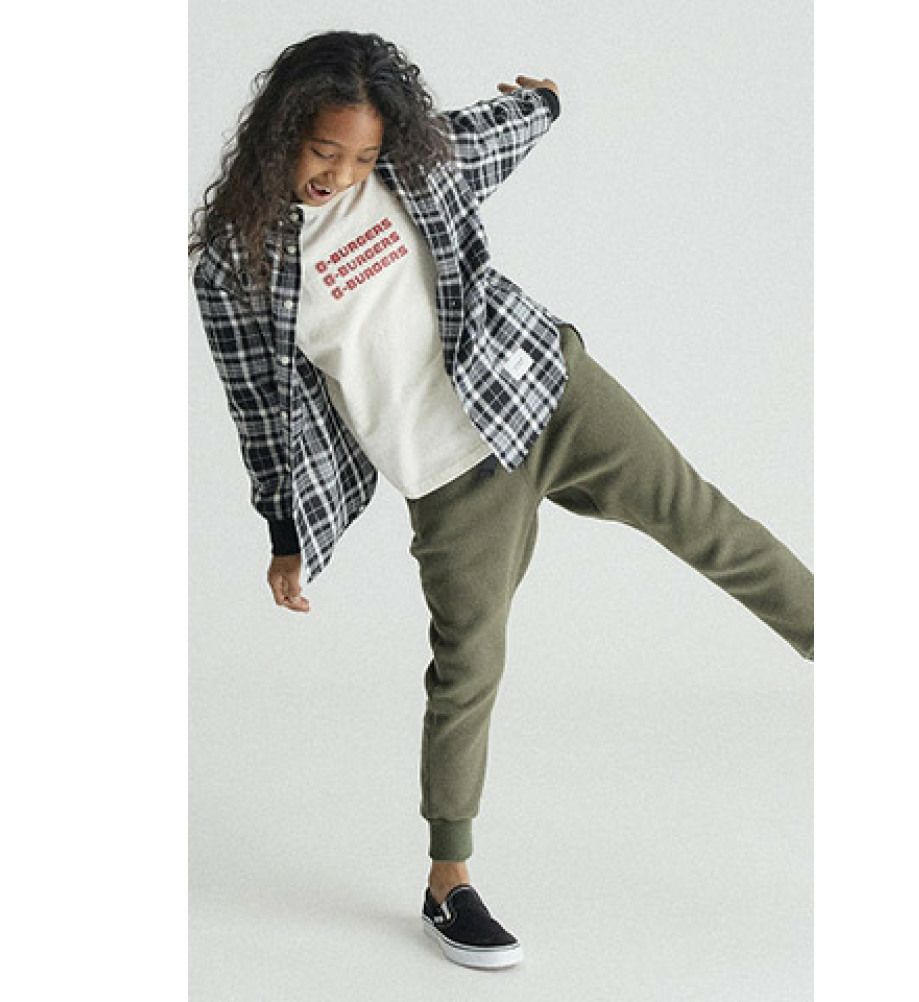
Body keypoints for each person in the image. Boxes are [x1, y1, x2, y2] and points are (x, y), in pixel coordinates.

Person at [189, 29, 814, 970]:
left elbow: (493, 132)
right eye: (323, 152)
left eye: (361, 156)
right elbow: (258, 406)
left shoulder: (414, 168)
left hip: (542, 388)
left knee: (707, 524)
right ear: (283, 131)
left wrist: (544, 100)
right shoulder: (233, 263)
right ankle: (449, 882)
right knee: (467, 667)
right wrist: (284, 530)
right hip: (450, 476)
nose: (342, 175)